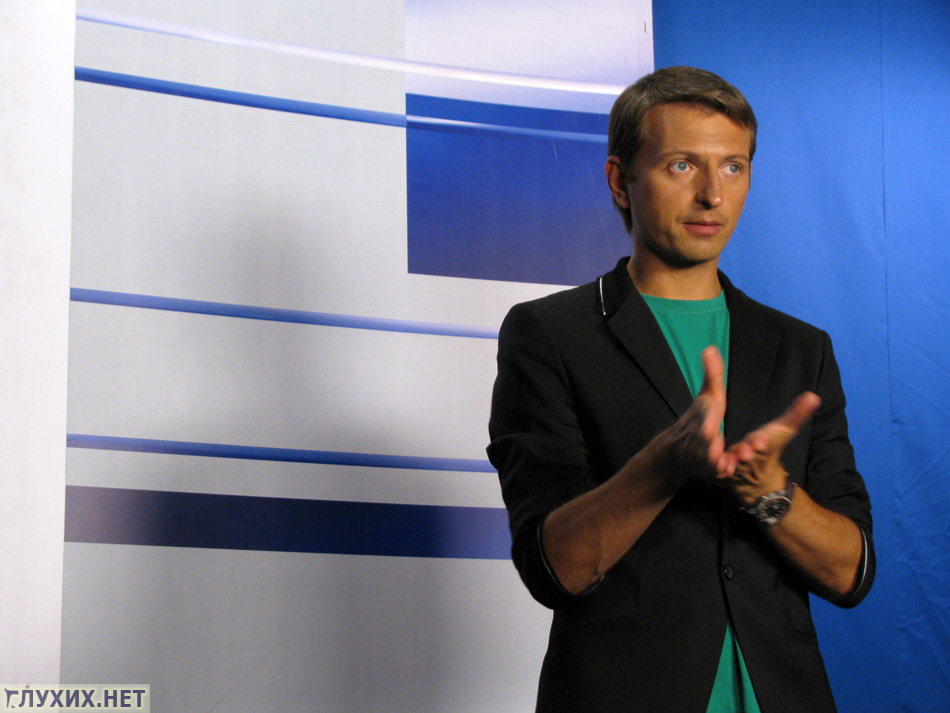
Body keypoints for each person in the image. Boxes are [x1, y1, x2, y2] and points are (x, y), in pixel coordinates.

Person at [487, 66, 874, 713]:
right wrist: (664, 464)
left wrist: (770, 492)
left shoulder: (801, 349)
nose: (712, 195)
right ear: (620, 180)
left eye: (733, 167)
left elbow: (850, 572)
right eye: (681, 165)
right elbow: (553, 568)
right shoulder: (549, 333)